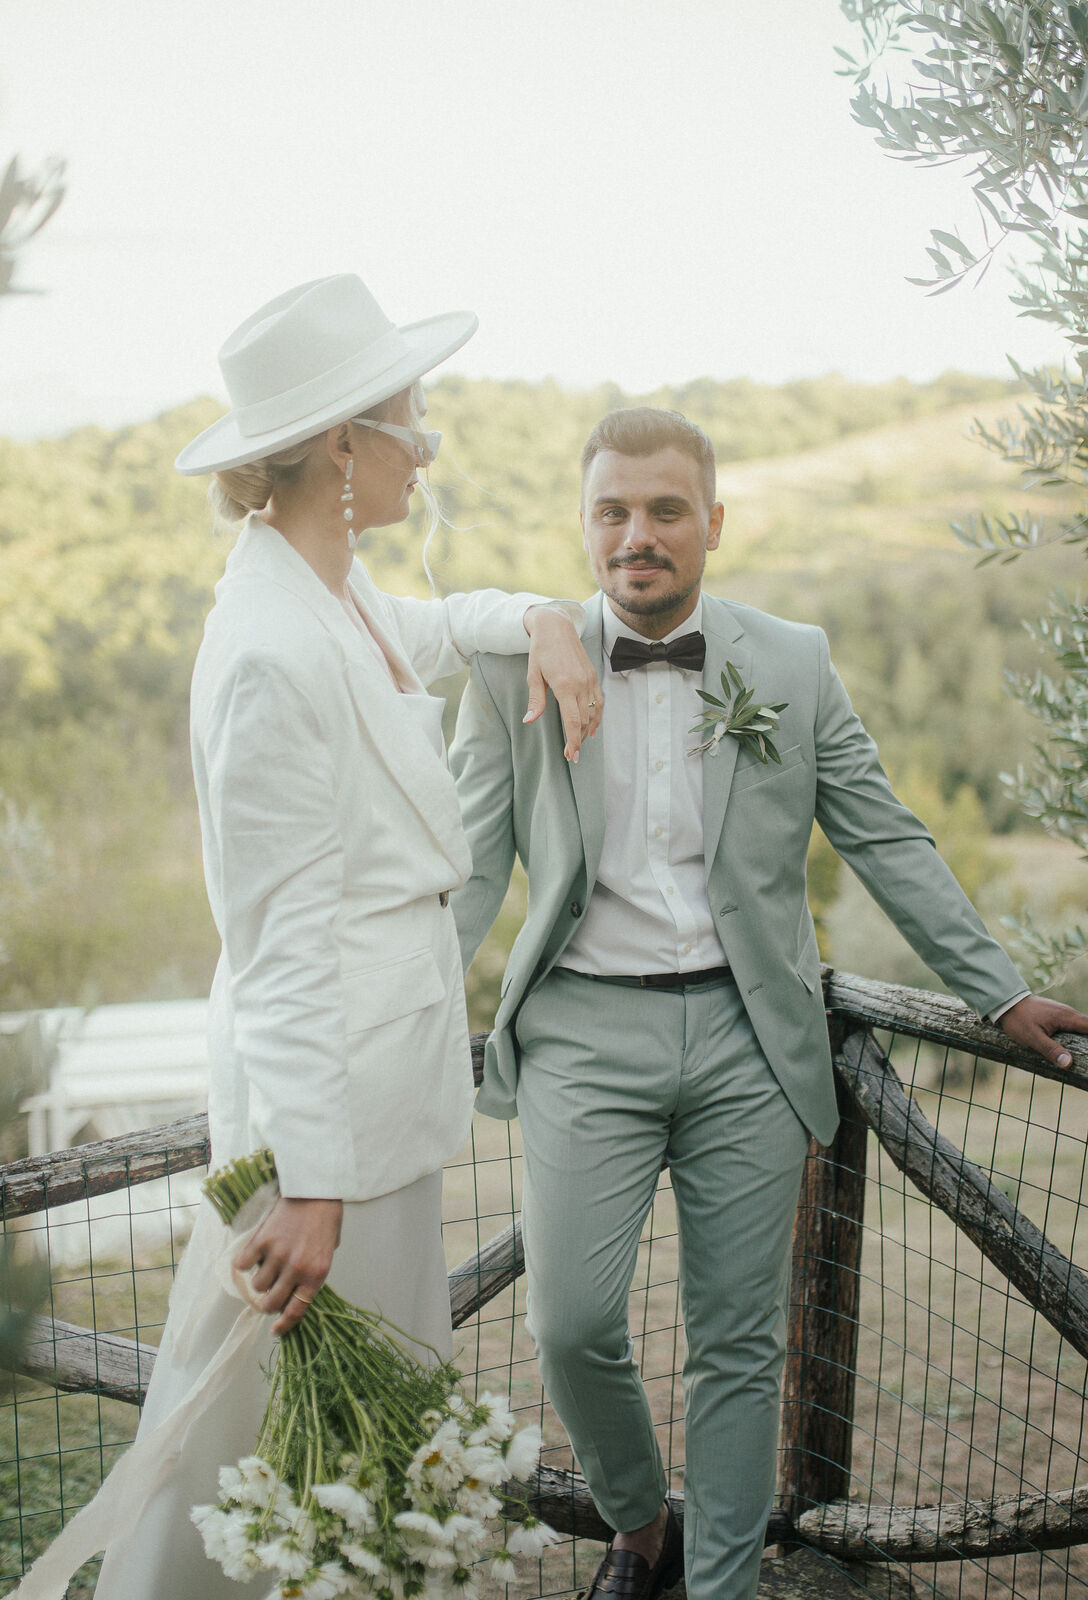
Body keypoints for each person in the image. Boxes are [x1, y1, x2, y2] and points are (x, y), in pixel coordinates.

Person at [16, 274, 602, 1600]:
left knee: (318, 1426)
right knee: (262, 1420)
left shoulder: (330, 592)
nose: (427, 442)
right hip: (322, 1104)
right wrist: (316, 1181)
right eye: (412, 416)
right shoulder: (271, 647)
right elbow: (274, 942)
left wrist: (544, 621)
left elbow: (431, 630)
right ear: (344, 442)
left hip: (375, 1085)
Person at [449, 406, 1088, 1600]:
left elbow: (882, 835)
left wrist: (996, 990)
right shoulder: (513, 665)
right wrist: (407, 1005)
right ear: (584, 524)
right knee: (568, 1322)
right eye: (611, 512)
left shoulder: (789, 661)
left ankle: (723, 1587)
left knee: (737, 1347)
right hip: (583, 1033)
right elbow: (467, 865)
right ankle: (641, 1524)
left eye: (663, 510)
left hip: (751, 1039)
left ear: (712, 523)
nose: (636, 535)